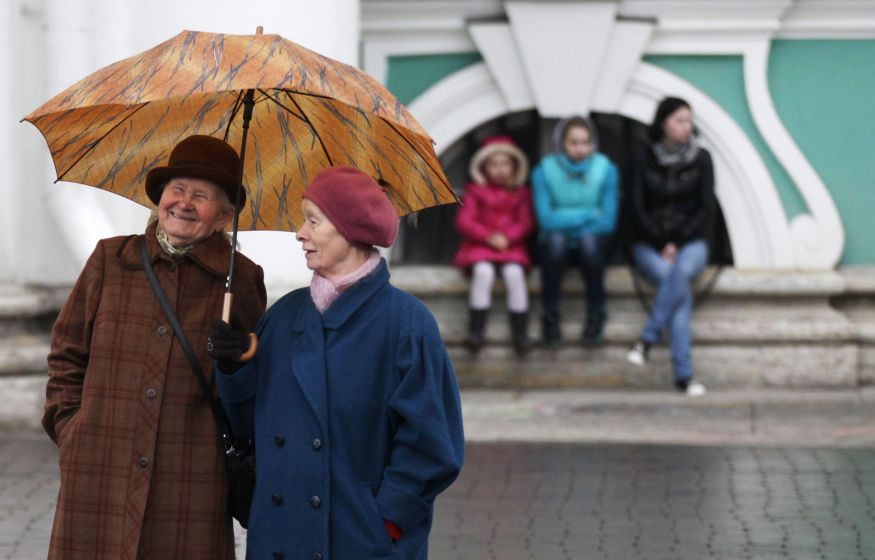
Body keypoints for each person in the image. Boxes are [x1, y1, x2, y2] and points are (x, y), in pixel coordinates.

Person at [208, 166, 465, 560]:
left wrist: (386, 521)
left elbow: (433, 447)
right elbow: (246, 426)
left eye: (313, 220)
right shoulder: (285, 315)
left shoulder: (408, 324)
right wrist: (232, 367)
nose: (300, 232)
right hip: (279, 537)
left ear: (352, 231)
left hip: (360, 541)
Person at [42, 135, 267, 559]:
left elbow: (255, 381)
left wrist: (240, 357)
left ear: (224, 215)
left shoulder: (240, 280)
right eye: (176, 190)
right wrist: (70, 427)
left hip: (190, 472)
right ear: (159, 198)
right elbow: (67, 351)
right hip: (99, 463)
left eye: (201, 196)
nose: (184, 203)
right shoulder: (111, 260)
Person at [626, 97, 715, 397]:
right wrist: (661, 242)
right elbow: (636, 207)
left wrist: (677, 241)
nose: (686, 126)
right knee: (679, 289)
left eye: (689, 120)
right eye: (679, 120)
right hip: (649, 245)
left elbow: (705, 208)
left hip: (691, 244)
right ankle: (684, 376)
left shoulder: (701, 159)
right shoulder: (644, 158)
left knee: (680, 273)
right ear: (663, 123)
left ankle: (646, 340)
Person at [531, 116, 619, 346]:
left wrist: (565, 219)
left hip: (594, 246)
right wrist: (589, 215)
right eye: (573, 142)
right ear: (561, 143)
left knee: (589, 242)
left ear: (593, 143)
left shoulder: (606, 169)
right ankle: (550, 315)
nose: (580, 148)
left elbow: (608, 222)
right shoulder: (543, 171)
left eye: (585, 142)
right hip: (555, 245)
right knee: (556, 241)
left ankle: (596, 312)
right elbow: (546, 220)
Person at [453, 135, 534, 355]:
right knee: (483, 272)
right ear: (483, 167)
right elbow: (465, 221)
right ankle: (476, 330)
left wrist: (508, 237)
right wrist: (489, 236)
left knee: (514, 274)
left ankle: (520, 332)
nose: (500, 169)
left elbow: (525, 221)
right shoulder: (474, 191)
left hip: (511, 247)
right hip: (481, 246)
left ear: (514, 166)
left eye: (505, 164)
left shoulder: (520, 193)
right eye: (494, 164)